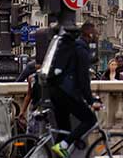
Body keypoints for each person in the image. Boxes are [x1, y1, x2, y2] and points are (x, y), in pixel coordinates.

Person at [50, 23, 101, 158]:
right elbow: (83, 79)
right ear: (89, 34)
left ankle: (60, 148)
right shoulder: (82, 50)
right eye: (95, 34)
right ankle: (64, 145)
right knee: (90, 120)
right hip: (66, 92)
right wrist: (90, 101)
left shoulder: (73, 47)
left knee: (64, 131)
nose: (96, 37)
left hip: (57, 90)